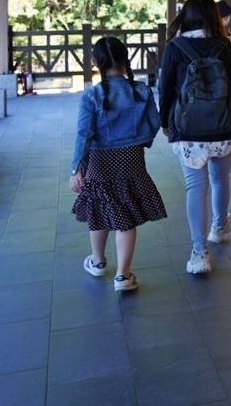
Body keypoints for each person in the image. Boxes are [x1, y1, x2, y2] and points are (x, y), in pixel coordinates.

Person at [159, 0, 231, 275]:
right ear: (213, 17)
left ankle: (199, 253)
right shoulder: (226, 47)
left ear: (187, 17)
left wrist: (164, 122)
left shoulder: (175, 47)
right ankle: (219, 228)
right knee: (220, 179)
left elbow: (165, 89)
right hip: (224, 130)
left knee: (196, 187)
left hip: (189, 131)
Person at [71, 37, 167, 292]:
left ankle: (98, 261)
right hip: (131, 159)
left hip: (99, 161)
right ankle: (123, 276)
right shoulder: (142, 91)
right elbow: (154, 123)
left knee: (99, 208)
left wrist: (76, 168)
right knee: (126, 213)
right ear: (126, 60)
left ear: (94, 62)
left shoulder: (92, 95)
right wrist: (138, 142)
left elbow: (84, 134)